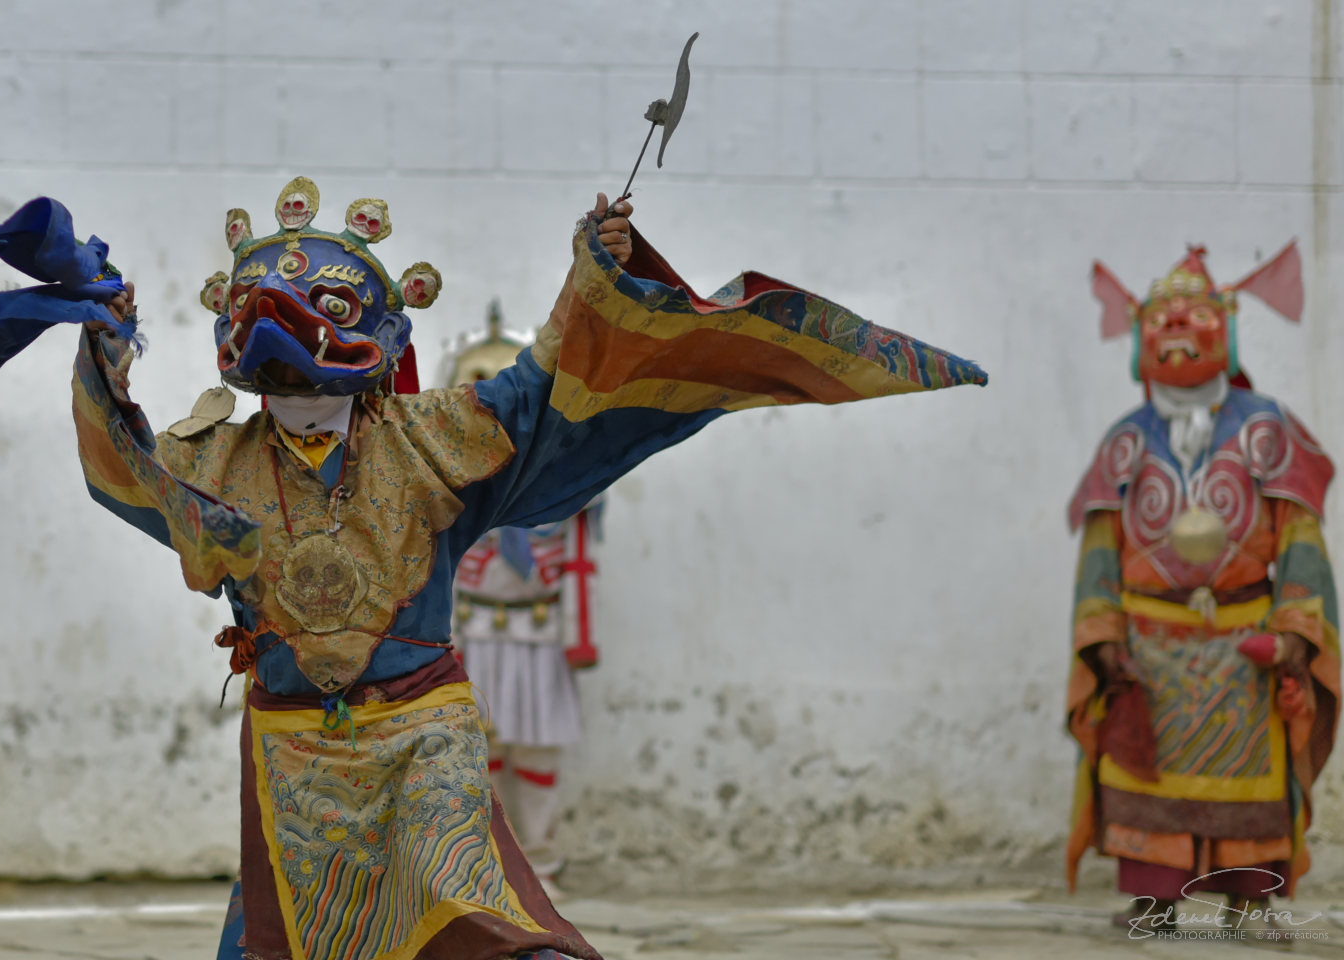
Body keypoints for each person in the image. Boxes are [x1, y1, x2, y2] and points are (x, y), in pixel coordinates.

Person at [60, 177, 985, 960]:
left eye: (332, 313)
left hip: (424, 746)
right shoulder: (205, 463)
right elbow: (121, 461)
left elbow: (550, 384)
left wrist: (600, 274)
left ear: (380, 336)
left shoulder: (439, 442)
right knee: (282, 941)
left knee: (494, 932)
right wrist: (103, 351)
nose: (288, 331)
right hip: (290, 758)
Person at [1065, 243, 1336, 937]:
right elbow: (1100, 552)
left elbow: (1300, 537)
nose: (1178, 336)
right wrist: (1102, 641)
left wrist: (1295, 632)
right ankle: (1155, 900)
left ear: (1227, 328)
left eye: (1195, 320)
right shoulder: (1125, 442)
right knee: (1147, 777)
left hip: (1244, 647)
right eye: (1162, 322)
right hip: (1150, 650)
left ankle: (1249, 899)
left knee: (1250, 784)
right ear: (1139, 336)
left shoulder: (1270, 432)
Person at [443, 303, 603, 885]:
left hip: (537, 632)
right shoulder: (447, 476)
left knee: (537, 747)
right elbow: (442, 566)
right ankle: (487, 853)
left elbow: (580, 564)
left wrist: (580, 636)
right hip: (475, 635)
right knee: (478, 752)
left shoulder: (571, 476)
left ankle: (538, 851)